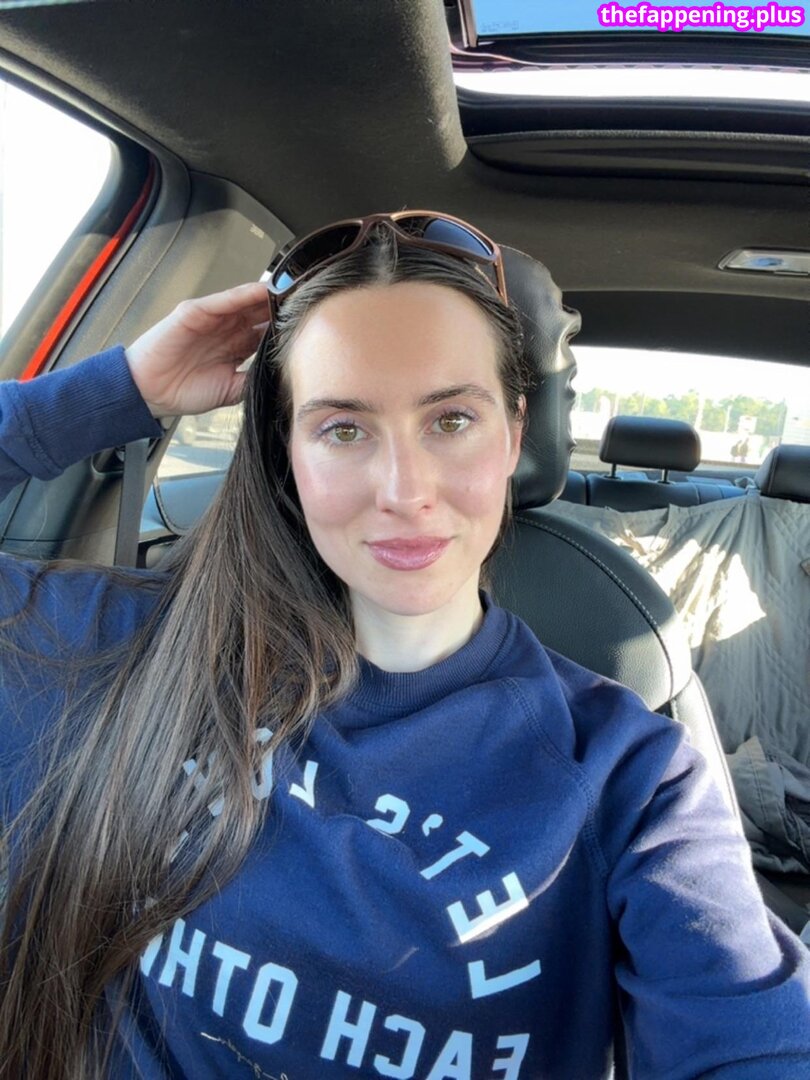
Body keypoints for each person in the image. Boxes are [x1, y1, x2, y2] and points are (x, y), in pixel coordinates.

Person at [0, 212, 808, 1080]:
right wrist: (124, 387)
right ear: (287, 452)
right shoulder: (111, 648)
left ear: (514, 433)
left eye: (451, 419)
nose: (404, 491)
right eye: (344, 429)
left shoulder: (633, 777)